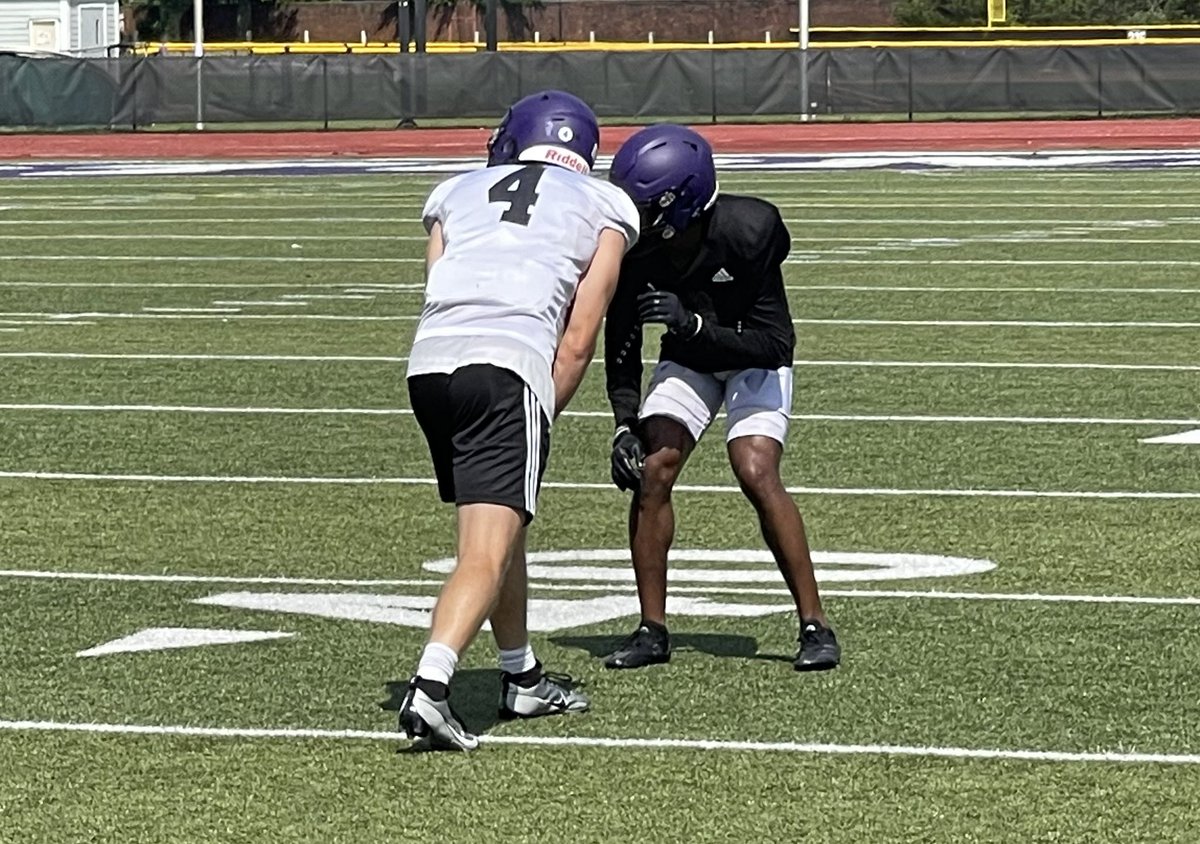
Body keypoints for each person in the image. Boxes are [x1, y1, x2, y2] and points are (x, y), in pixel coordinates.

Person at [399, 90, 639, 751]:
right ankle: (431, 689)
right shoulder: (607, 206)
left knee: (503, 527)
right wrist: (545, 403)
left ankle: (521, 676)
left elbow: (438, 284)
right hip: (506, 368)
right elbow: (582, 331)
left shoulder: (456, 190)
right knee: (483, 551)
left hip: (430, 365)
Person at [602, 123, 840, 673]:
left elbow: (775, 343)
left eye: (644, 206)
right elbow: (623, 337)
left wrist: (691, 327)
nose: (632, 218)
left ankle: (814, 624)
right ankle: (652, 628)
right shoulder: (636, 252)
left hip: (751, 356)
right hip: (693, 357)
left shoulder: (749, 230)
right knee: (653, 467)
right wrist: (623, 422)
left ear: (679, 203)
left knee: (754, 467)